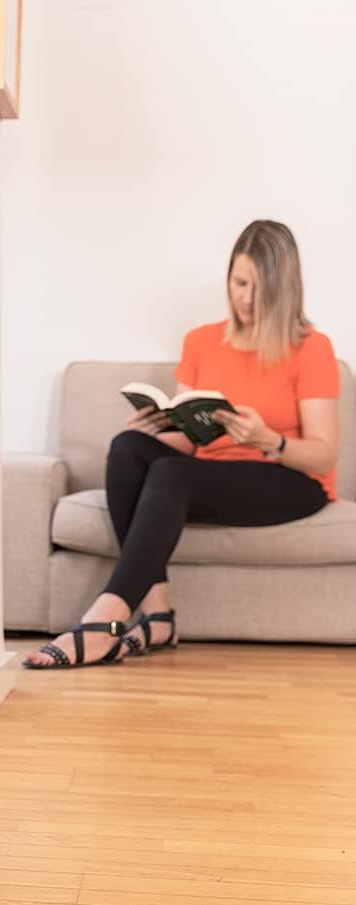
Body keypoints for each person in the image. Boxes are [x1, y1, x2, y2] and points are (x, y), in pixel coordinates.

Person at [24, 220, 340, 668]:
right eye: (239, 282)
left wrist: (269, 440)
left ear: (285, 288)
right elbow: (192, 441)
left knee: (171, 473)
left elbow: (324, 453)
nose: (246, 298)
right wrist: (157, 426)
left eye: (259, 287)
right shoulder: (202, 341)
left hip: (289, 479)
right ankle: (157, 616)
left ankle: (107, 617)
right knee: (128, 447)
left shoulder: (312, 348)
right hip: (210, 472)